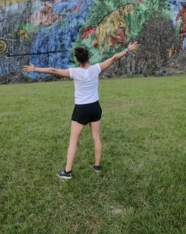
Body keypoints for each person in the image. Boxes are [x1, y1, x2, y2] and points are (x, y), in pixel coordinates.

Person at [22, 42, 140, 179]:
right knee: (96, 137)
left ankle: (67, 172)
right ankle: (96, 166)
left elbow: (53, 71)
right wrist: (128, 49)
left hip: (81, 109)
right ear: (88, 57)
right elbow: (114, 58)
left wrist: (35, 68)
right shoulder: (97, 68)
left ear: (77, 60)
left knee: (73, 140)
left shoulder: (74, 72)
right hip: (95, 107)